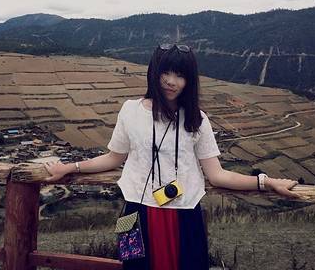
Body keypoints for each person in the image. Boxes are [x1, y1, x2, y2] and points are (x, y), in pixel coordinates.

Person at [44, 43, 299, 269]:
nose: (171, 81)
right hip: (135, 212)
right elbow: (113, 158)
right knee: (133, 267)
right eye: (166, 72)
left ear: (189, 81)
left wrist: (266, 182)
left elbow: (217, 175)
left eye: (180, 75)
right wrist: (70, 167)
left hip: (183, 212)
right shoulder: (130, 111)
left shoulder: (197, 119)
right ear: (154, 72)